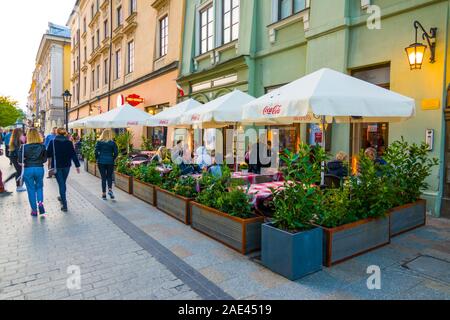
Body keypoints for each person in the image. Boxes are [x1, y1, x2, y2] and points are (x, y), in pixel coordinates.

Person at [46, 128, 81, 212]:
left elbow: (48, 154)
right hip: (66, 166)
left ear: (57, 133)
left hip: (57, 166)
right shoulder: (69, 143)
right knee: (63, 182)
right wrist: (77, 166)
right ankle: (62, 197)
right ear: (65, 133)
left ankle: (64, 204)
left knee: (61, 184)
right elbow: (73, 154)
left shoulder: (53, 142)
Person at [18, 128, 47, 217]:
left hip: (28, 169)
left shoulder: (23, 147)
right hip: (39, 168)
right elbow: (45, 159)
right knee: (39, 187)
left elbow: (20, 160)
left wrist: (26, 161)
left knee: (31, 189)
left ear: (28, 136)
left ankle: (34, 210)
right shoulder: (42, 146)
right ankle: (40, 203)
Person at [95, 129, 119, 200]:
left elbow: (96, 151)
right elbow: (116, 152)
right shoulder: (113, 143)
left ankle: (104, 194)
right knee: (109, 177)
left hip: (101, 161)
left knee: (103, 178)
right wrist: (112, 158)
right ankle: (110, 190)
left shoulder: (99, 142)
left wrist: (97, 158)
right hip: (110, 161)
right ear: (110, 135)